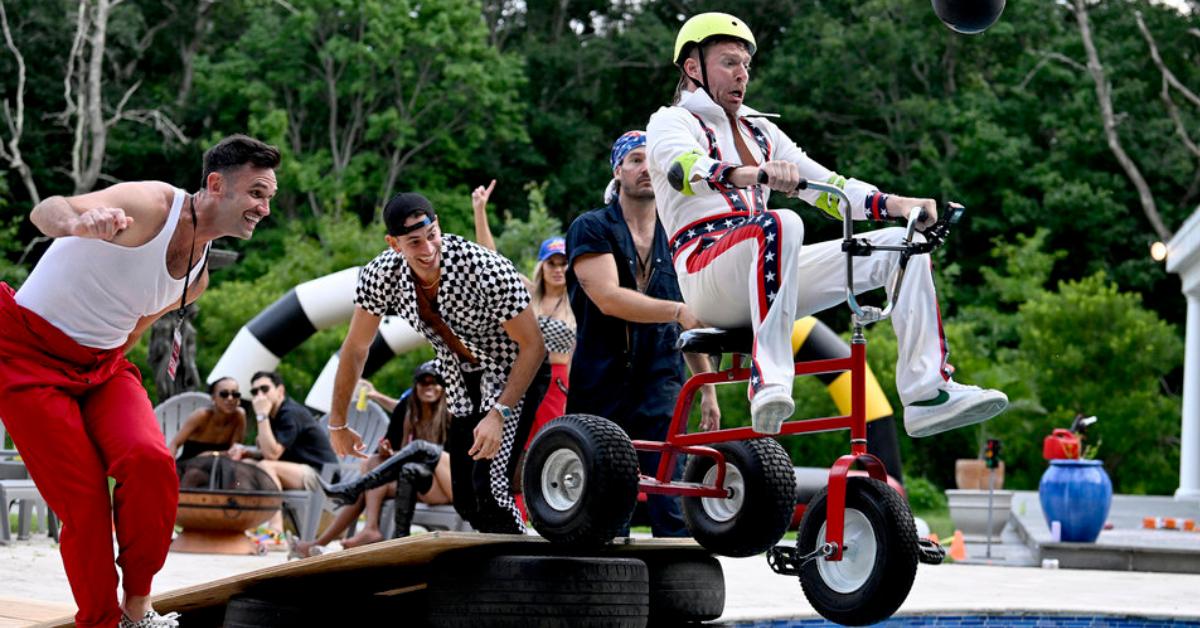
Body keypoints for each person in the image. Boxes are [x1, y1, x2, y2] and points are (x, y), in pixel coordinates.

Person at [646, 13, 1008, 437]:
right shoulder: (671, 122)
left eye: (746, 64)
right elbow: (683, 169)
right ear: (693, 68)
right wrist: (754, 174)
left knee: (900, 246)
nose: (742, 74)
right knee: (782, 222)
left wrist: (898, 204)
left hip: (768, 267)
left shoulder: (762, 131)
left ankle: (927, 393)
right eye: (729, 62)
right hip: (709, 278)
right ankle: (770, 380)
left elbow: (830, 188)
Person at [0, 134, 279, 628]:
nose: (264, 207)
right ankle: (102, 621)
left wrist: (101, 379)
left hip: (102, 367)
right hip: (25, 356)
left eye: (269, 198)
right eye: (257, 193)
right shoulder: (150, 205)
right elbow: (46, 210)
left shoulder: (198, 278)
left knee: (151, 460)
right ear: (216, 184)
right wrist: (78, 222)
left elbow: (131, 330)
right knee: (85, 504)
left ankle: (137, 607)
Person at [321, 192, 547, 534]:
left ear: (438, 225)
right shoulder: (381, 275)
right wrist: (337, 422)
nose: (427, 250)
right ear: (394, 244)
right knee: (466, 499)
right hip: (460, 380)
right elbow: (355, 348)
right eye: (414, 242)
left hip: (513, 372)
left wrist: (499, 413)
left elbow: (533, 347)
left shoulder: (484, 268)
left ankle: (523, 566)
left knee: (490, 490)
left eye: (431, 236)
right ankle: (497, 569)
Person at [565, 130, 720, 537]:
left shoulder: (677, 236)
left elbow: (685, 326)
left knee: (672, 501)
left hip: (661, 380)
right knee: (601, 500)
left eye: (651, 160)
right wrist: (678, 310)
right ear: (617, 170)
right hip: (601, 380)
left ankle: (681, 587)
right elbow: (609, 299)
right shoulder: (591, 226)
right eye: (635, 159)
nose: (645, 168)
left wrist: (706, 388)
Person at [291, 363, 453, 556]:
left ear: (444, 386)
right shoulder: (407, 409)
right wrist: (387, 451)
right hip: (414, 479)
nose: (429, 387)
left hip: (446, 484)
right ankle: (356, 532)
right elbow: (392, 449)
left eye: (435, 382)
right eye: (423, 382)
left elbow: (455, 459)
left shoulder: (454, 411)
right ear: (415, 385)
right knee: (373, 462)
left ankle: (352, 496)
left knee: (417, 450)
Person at [472, 180, 575, 443]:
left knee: (552, 443)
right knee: (516, 445)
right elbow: (491, 260)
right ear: (542, 267)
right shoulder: (529, 295)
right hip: (524, 377)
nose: (558, 269)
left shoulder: (577, 302)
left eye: (564, 263)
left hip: (558, 382)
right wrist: (480, 211)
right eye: (551, 263)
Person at [232, 370, 338, 535]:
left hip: (322, 477)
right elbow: (270, 452)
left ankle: (276, 530)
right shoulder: (273, 415)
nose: (259, 395)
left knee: (267, 467)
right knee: (245, 467)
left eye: (265, 389)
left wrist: (261, 415)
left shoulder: (290, 413)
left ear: (280, 390)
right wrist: (247, 453)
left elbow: (271, 456)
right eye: (254, 392)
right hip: (296, 471)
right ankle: (245, 525)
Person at [168, 376, 246, 465]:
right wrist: (170, 469)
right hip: (189, 467)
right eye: (224, 394)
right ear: (213, 398)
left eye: (235, 394)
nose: (230, 398)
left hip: (219, 468)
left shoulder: (239, 416)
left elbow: (233, 453)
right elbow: (174, 444)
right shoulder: (201, 415)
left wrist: (212, 454)